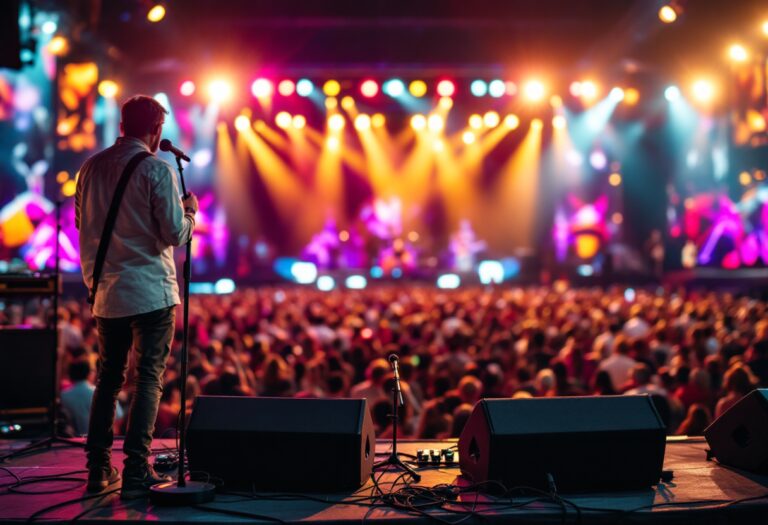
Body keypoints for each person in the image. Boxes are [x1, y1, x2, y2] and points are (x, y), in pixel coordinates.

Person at [75, 95, 198, 499]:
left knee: (108, 380)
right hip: (150, 291)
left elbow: (81, 225)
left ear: (123, 124)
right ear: (157, 130)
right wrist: (191, 213)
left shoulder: (89, 168)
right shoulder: (156, 169)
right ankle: (135, 472)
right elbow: (174, 234)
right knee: (147, 378)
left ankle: (97, 469)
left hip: (106, 291)